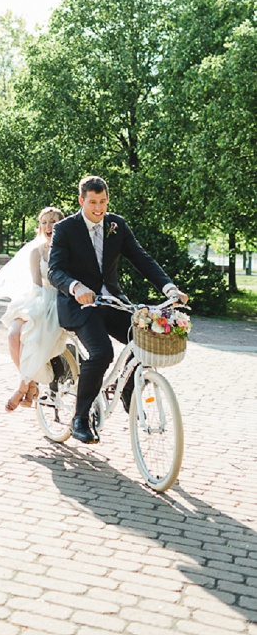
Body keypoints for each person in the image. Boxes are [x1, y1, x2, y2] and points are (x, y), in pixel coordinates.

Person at [48, 175, 188, 444]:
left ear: (108, 199)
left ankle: (126, 390)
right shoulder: (66, 229)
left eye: (102, 202)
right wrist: (76, 287)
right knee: (102, 353)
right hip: (80, 307)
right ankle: (80, 417)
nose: (98, 209)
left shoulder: (117, 225)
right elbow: (55, 270)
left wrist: (169, 288)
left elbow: (141, 258)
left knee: (146, 339)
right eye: (92, 203)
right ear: (81, 201)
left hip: (113, 302)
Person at [0, 207, 69, 412]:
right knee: (13, 334)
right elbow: (37, 285)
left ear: (61, 225)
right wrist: (36, 309)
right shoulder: (36, 251)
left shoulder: (68, 249)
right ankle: (32, 385)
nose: (48, 226)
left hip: (59, 299)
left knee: (31, 339)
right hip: (40, 298)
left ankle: (22, 387)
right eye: (44, 222)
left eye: (53, 221)